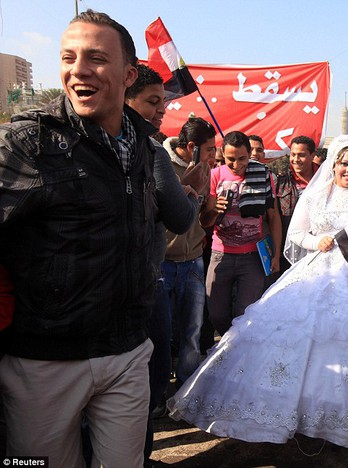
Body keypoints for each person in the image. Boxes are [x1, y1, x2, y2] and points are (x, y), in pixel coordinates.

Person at [168, 134, 348, 463]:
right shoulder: (316, 196)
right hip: (318, 273)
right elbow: (297, 234)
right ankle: (295, 416)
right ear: (332, 164)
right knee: (299, 344)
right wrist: (319, 243)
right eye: (344, 163)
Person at [0, 10, 170, 466]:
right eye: (68, 58)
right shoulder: (27, 143)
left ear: (128, 73)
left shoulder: (144, 144)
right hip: (44, 361)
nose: (79, 70)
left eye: (96, 58)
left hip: (129, 352)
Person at [125, 63, 201, 464]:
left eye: (163, 103)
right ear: (124, 96)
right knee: (146, 382)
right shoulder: (152, 150)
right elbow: (180, 215)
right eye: (152, 102)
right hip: (142, 286)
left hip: (133, 285)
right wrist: (192, 194)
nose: (160, 112)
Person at [201, 131, 282, 335]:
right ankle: (231, 347)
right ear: (223, 154)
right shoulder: (215, 175)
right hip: (221, 254)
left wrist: (276, 254)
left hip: (253, 257)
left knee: (245, 316)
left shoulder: (263, 174)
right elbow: (204, 221)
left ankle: (236, 354)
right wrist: (215, 210)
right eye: (230, 159)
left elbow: (273, 217)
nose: (236, 164)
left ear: (249, 154)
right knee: (216, 314)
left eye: (242, 159)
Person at [161, 118, 216, 386]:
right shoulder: (161, 165)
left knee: (192, 332)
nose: (213, 156)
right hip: (162, 262)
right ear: (192, 147)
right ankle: (159, 391)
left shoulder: (207, 170)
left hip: (193, 260)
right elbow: (167, 213)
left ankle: (187, 388)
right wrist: (187, 185)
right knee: (161, 333)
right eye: (209, 150)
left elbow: (204, 220)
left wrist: (213, 205)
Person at [275, 135, 320, 273]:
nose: (295, 160)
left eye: (301, 155)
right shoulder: (280, 183)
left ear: (312, 155)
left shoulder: (327, 181)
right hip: (288, 249)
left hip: (318, 248)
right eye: (293, 155)